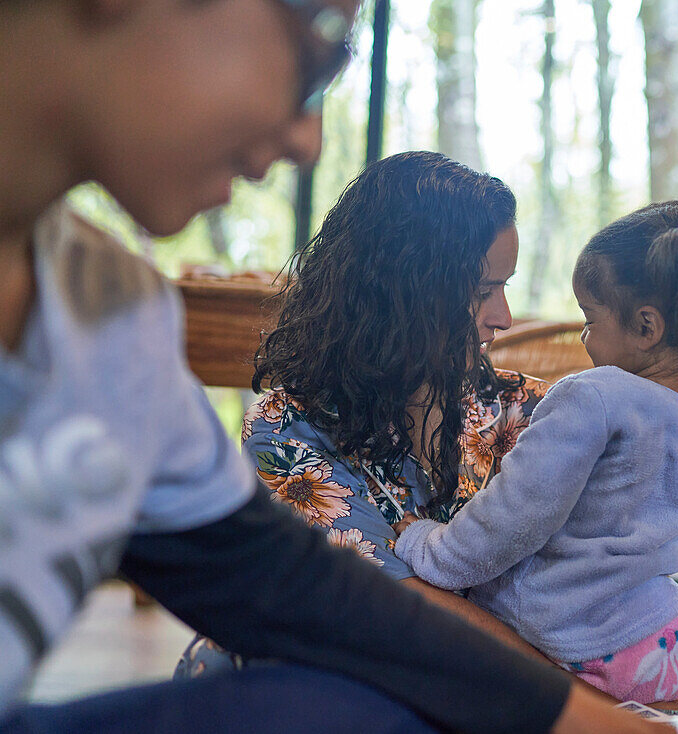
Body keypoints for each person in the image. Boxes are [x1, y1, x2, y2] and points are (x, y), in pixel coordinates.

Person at [0, 1, 675, 732]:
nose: (306, 138)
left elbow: (291, 588)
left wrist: (596, 718)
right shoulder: (289, 425)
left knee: (350, 705)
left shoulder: (111, 315)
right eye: (316, 44)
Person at [176, 150, 560, 676]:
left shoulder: (529, 413)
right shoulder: (287, 428)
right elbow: (403, 612)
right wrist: (600, 711)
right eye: (480, 292)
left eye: (505, 287)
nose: (504, 318)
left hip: (468, 687)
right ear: (401, 293)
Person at [392, 201, 678, 703]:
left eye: (590, 320)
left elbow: (514, 517)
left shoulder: (592, 397)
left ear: (646, 327)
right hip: (657, 645)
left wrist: (425, 545)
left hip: (574, 643)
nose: (584, 337)